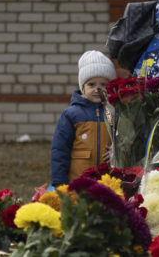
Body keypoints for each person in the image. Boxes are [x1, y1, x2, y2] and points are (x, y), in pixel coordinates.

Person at [50, 50, 116, 186]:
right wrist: (59, 182)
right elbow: (60, 150)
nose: (97, 89)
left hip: (108, 184)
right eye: (91, 84)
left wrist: (116, 151)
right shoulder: (71, 114)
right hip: (77, 183)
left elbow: (124, 142)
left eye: (103, 85)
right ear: (82, 87)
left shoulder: (115, 113)